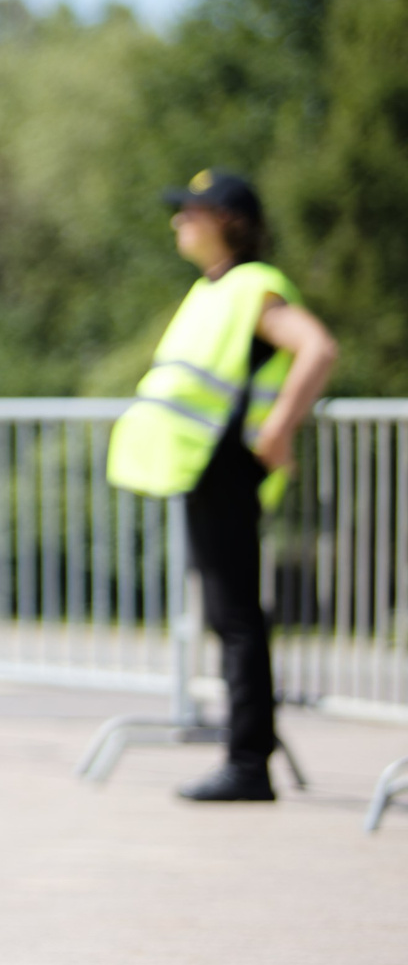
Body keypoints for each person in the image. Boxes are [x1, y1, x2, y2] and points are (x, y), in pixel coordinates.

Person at [108, 170, 339, 802]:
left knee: (236, 617)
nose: (179, 220)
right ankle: (246, 751)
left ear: (229, 222)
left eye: (193, 211)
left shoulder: (254, 286)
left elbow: (317, 348)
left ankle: (248, 761)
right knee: (225, 613)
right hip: (201, 465)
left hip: (226, 465)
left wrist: (280, 432)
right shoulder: (213, 290)